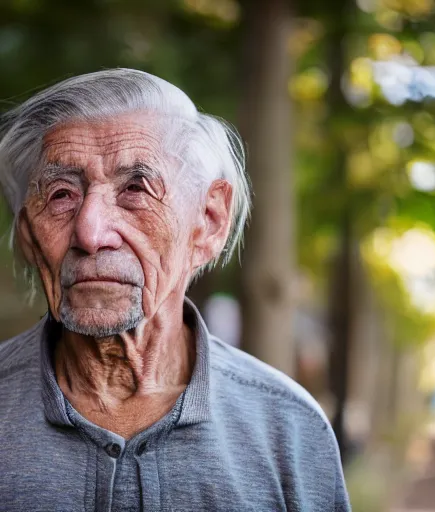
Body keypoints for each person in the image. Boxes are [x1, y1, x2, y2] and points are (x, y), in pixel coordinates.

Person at [0, 69, 351, 511]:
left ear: (208, 221)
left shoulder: (289, 428)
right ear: (30, 236)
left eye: (135, 189)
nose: (90, 233)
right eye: (61, 194)